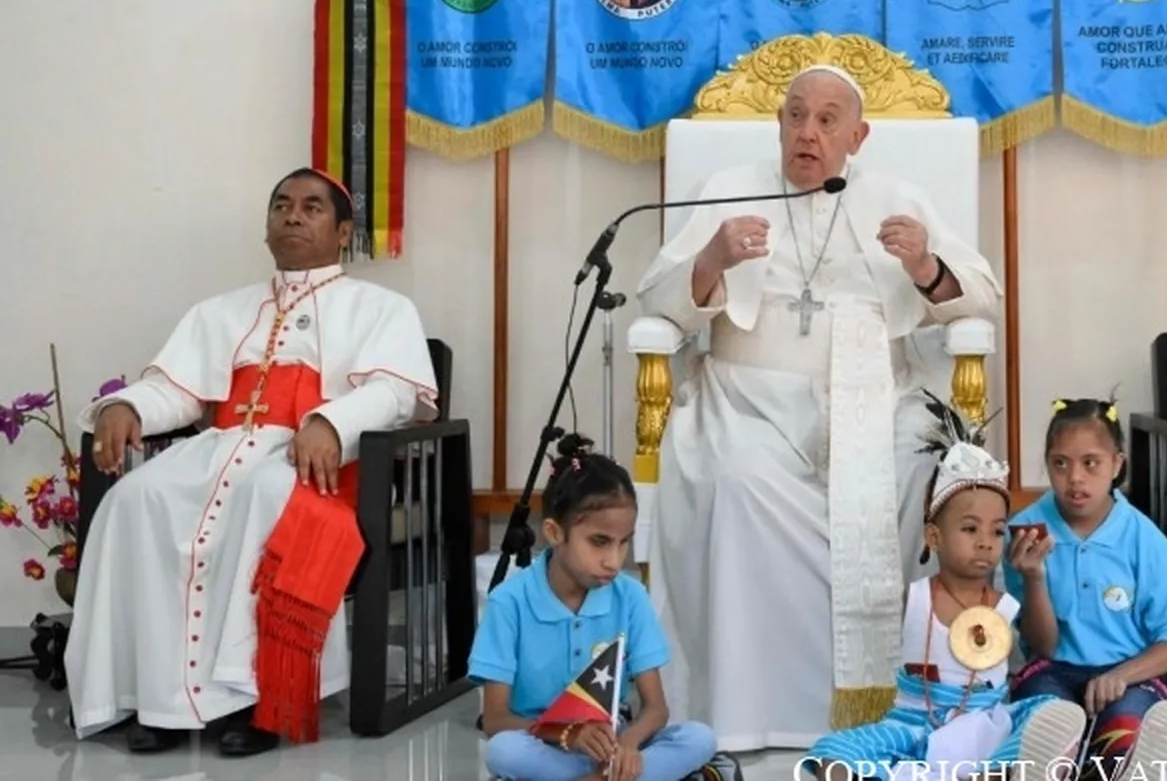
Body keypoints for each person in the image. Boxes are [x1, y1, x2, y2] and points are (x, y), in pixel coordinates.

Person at [636, 63, 1002, 749]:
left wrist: (925, 266)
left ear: (857, 138)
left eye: (828, 120)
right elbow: (657, 299)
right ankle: (746, 709)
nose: (807, 132)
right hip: (745, 400)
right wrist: (711, 258)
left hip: (877, 398)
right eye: (796, 115)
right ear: (779, 124)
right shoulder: (728, 191)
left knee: (915, 468)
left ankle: (908, 697)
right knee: (734, 480)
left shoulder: (898, 198)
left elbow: (984, 297)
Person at [65, 168, 440, 757]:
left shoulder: (381, 308)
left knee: (264, 491)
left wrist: (330, 423)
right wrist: (126, 405)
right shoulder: (219, 311)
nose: (293, 215)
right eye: (282, 205)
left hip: (324, 463)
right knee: (137, 497)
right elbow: (177, 391)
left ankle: (257, 700)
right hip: (223, 448)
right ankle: (159, 699)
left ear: (343, 232)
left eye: (312, 207)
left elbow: (395, 393)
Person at [802, 397, 1088, 780]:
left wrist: (1035, 578)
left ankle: (994, 773)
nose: (985, 542)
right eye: (970, 529)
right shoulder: (916, 597)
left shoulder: (1003, 604)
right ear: (934, 537)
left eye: (997, 531)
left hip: (982, 726)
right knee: (831, 754)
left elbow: (1045, 647)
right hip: (912, 727)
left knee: (1048, 711)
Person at [470, 433, 718, 781]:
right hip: (543, 744)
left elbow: (656, 709)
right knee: (503, 751)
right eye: (599, 542)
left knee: (699, 737)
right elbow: (496, 720)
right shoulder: (508, 603)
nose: (614, 561)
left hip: (612, 746)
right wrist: (569, 734)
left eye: (623, 543)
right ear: (555, 533)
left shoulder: (631, 597)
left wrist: (626, 747)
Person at [1004, 398, 1167, 781]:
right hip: (1054, 671)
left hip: (1129, 673)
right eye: (1060, 463)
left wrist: (1121, 676)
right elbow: (1042, 647)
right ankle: (1058, 759)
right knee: (1045, 714)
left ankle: (1118, 755)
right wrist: (1034, 578)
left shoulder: (1144, 540)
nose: (1075, 478)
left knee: (1126, 721)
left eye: (1090, 463)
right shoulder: (1026, 532)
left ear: (1116, 464)